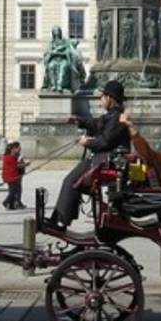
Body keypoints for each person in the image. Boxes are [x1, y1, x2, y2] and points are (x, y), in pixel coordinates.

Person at [49, 80, 130, 229]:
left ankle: (61, 220)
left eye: (102, 96)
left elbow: (105, 142)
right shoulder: (111, 116)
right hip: (101, 159)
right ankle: (60, 218)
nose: (100, 99)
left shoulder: (117, 118)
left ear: (109, 98)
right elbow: (96, 123)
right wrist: (78, 120)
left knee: (71, 180)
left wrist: (87, 143)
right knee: (72, 180)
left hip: (106, 161)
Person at [2, 142, 27, 210]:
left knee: (16, 190)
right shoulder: (9, 157)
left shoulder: (14, 156)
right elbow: (16, 165)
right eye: (18, 147)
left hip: (15, 176)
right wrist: (23, 163)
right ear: (13, 149)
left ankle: (11, 205)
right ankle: (6, 202)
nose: (20, 148)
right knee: (13, 191)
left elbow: (19, 165)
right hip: (11, 177)